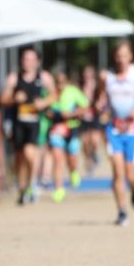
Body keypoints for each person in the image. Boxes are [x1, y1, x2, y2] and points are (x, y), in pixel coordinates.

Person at [96, 41, 134, 226]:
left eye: (125, 55)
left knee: (132, 175)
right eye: (118, 55)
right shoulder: (107, 76)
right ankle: (122, 211)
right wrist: (101, 105)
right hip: (114, 129)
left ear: (130, 56)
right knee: (117, 172)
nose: (122, 59)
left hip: (132, 130)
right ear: (114, 57)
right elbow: (101, 96)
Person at [0, 47, 58, 205]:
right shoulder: (14, 77)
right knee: (19, 158)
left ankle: (32, 183)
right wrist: (14, 98)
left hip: (35, 122)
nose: (28, 63)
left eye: (32, 59)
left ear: (37, 62)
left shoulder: (44, 77)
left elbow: (54, 94)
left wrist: (44, 102)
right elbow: (3, 99)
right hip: (18, 123)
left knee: (30, 153)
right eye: (25, 59)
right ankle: (22, 188)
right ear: (21, 61)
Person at [48, 71, 89, 202]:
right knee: (58, 160)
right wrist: (56, 114)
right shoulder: (51, 93)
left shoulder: (73, 91)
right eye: (58, 83)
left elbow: (85, 106)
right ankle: (59, 189)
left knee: (72, 158)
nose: (60, 85)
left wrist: (72, 114)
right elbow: (46, 110)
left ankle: (73, 171)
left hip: (72, 128)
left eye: (62, 82)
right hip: (56, 129)